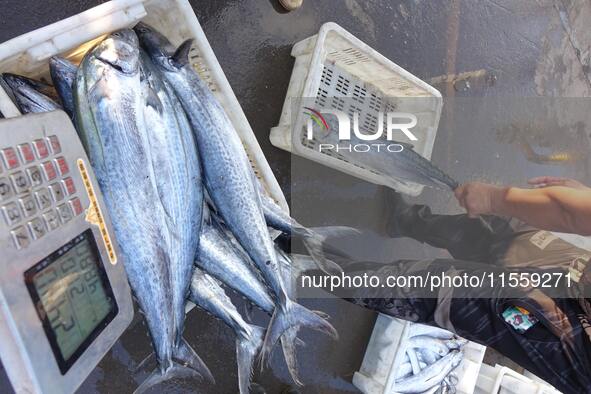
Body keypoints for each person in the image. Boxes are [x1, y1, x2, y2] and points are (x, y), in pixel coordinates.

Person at [329, 176, 591, 393]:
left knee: (438, 289)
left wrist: (493, 198)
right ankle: (406, 221)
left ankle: (300, 269)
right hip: (580, 278)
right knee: (506, 239)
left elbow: (574, 212)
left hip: (579, 339)